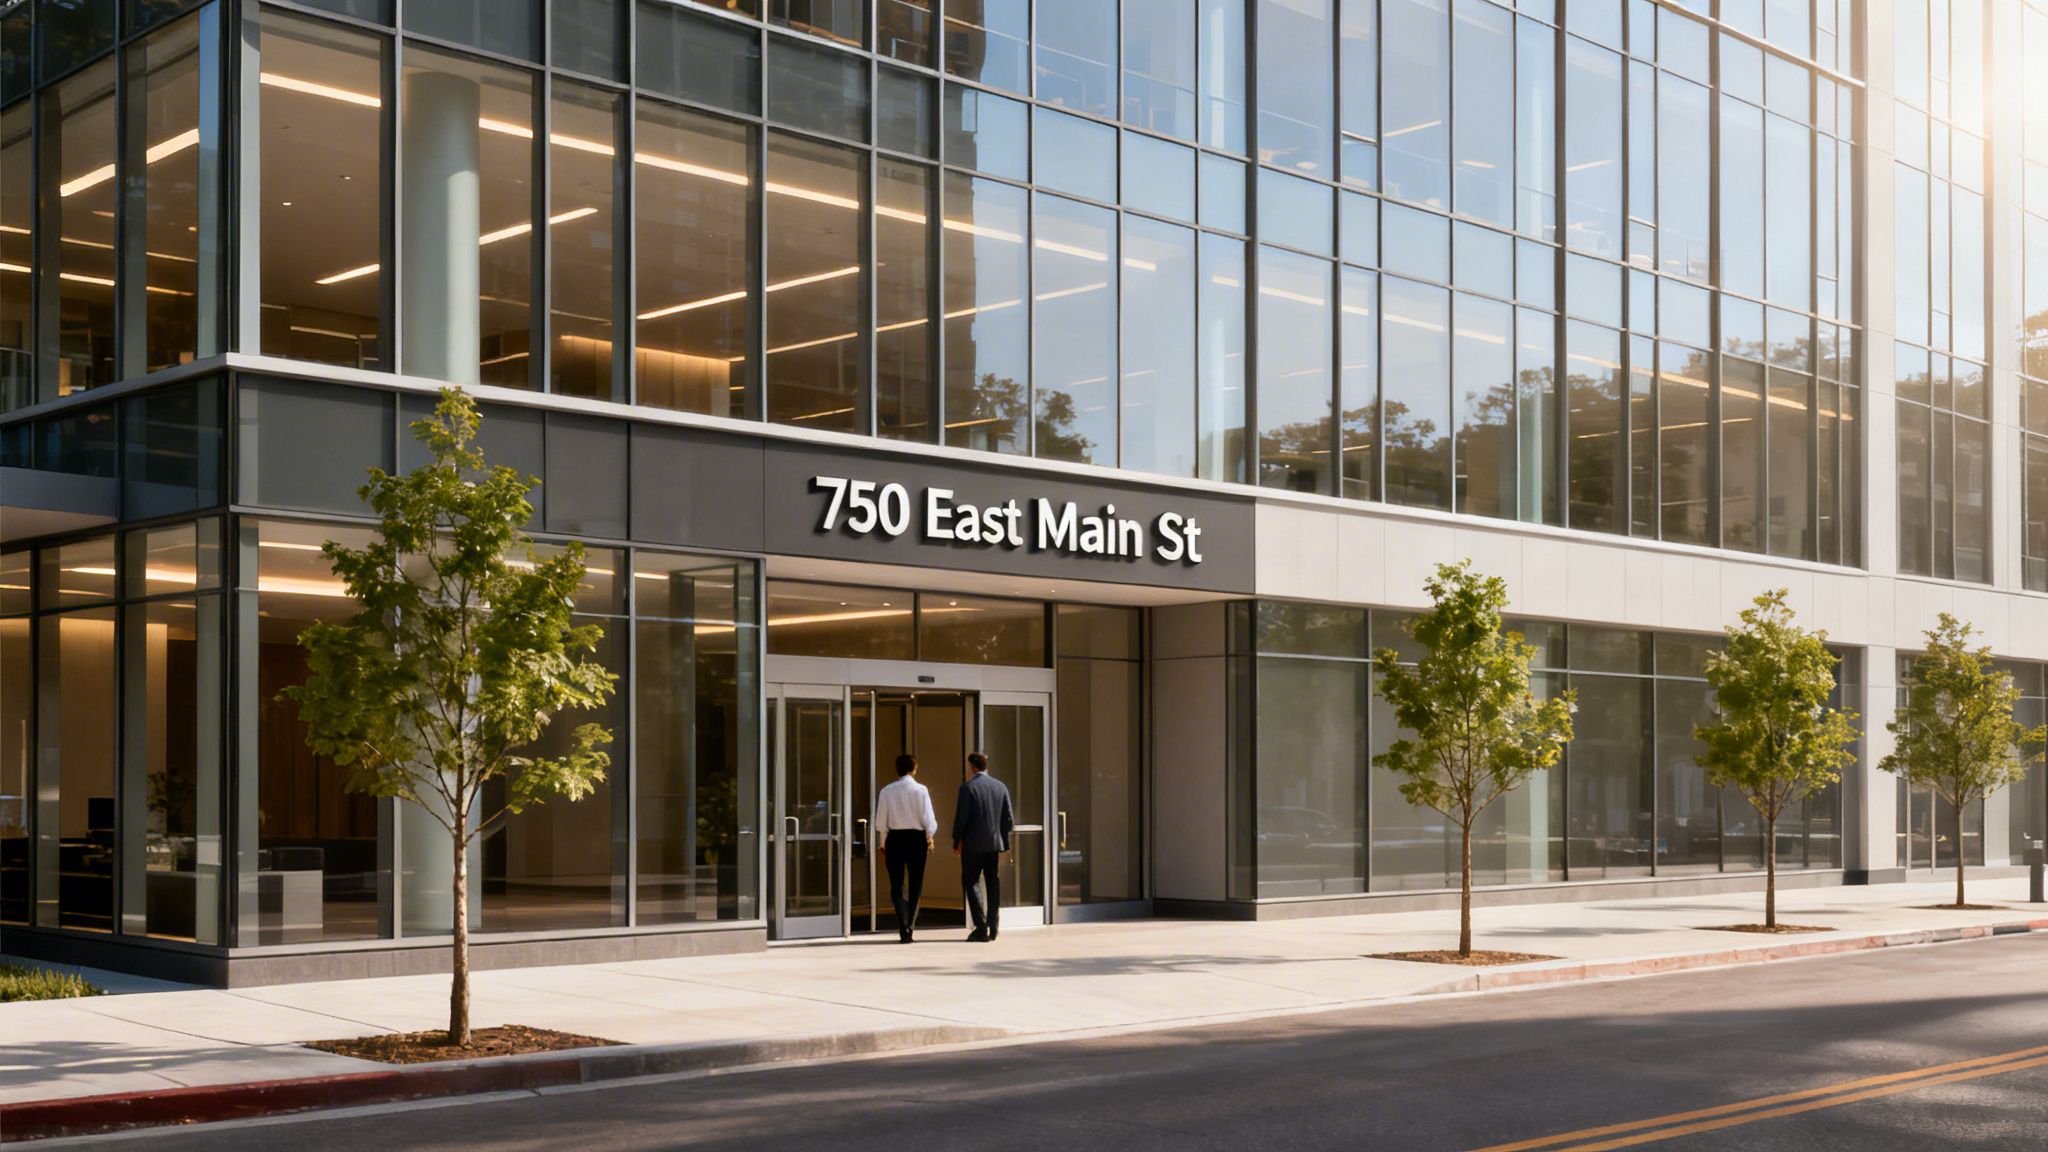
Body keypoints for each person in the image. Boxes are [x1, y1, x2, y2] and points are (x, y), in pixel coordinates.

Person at [873, 753, 937, 943]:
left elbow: (880, 823)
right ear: (914, 769)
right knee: (916, 883)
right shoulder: (921, 790)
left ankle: (903, 924)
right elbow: (929, 819)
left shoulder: (886, 791)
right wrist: (929, 836)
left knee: (896, 883)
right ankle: (910, 925)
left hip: (895, 838)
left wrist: (883, 843)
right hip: (916, 839)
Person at [951, 751, 1014, 943]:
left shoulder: (967, 788)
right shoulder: (1000, 787)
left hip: (973, 844)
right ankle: (993, 926)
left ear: (972, 766)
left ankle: (981, 926)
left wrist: (957, 840)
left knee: (971, 881)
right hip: (994, 844)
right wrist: (1002, 839)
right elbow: (1009, 819)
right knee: (993, 883)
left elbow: (961, 819)